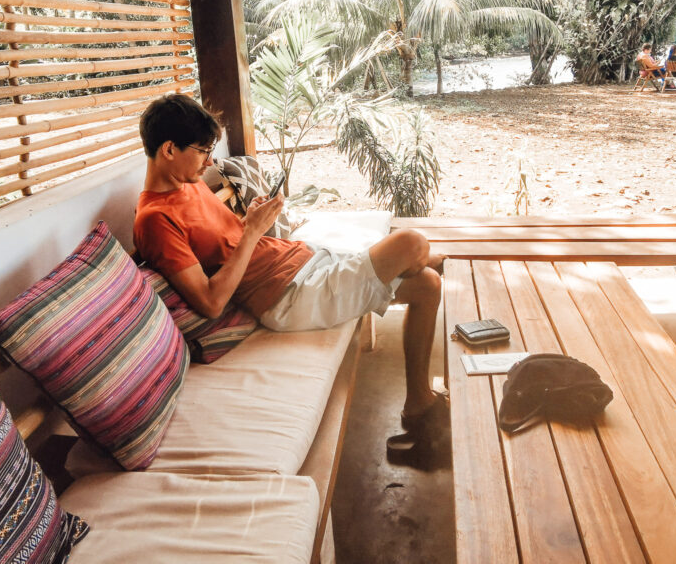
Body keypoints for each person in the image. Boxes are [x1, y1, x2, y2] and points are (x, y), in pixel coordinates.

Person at [133, 93, 448, 435]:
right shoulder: (154, 219)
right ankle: (412, 262)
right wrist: (252, 232)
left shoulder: (188, 185)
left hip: (301, 260)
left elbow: (229, 244)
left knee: (428, 284)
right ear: (168, 150)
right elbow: (211, 302)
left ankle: (418, 401)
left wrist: (252, 221)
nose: (209, 163)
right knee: (412, 243)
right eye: (203, 151)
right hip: (288, 296)